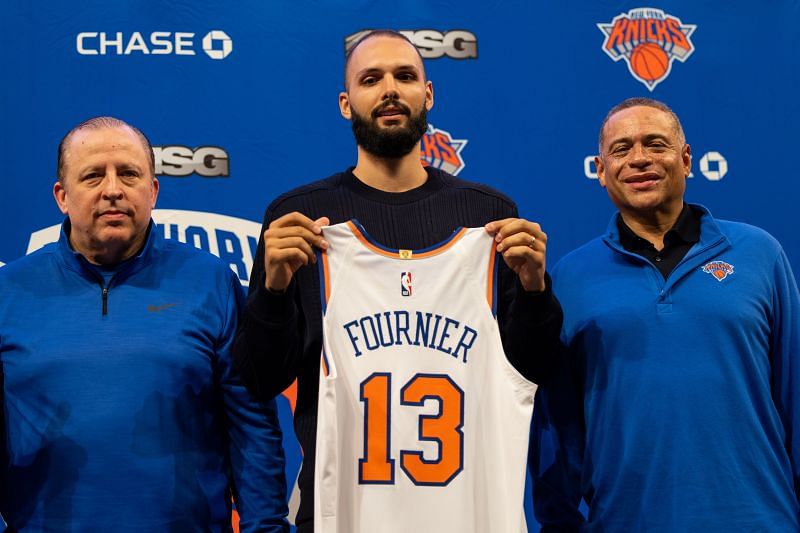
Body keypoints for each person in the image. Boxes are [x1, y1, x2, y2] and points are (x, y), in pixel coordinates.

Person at [234, 30, 562, 532]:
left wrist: (536, 291)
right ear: (347, 103)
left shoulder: (489, 219)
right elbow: (260, 376)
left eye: (405, 76)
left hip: (468, 513)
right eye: (371, 79)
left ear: (427, 95)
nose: (390, 89)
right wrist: (273, 292)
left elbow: (532, 371)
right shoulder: (301, 218)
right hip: (340, 511)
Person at [0, 117, 288, 532]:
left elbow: (252, 429)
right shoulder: (9, 291)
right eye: (93, 175)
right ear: (62, 196)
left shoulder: (210, 282)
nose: (113, 189)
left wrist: (267, 528)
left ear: (152, 191)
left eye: (129, 174)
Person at [530, 97, 800, 531]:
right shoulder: (569, 278)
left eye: (655, 144)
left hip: (759, 519)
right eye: (621, 149)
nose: (639, 159)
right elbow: (558, 428)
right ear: (600, 171)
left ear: (686, 159)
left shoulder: (759, 254)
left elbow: (795, 392)